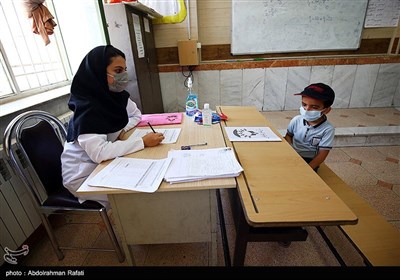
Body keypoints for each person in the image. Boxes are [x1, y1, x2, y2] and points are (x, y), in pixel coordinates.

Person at [61, 45, 164, 208]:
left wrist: (121, 130)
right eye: (117, 70)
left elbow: (136, 115)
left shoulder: (116, 96)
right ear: (99, 72)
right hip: (83, 175)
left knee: (148, 178)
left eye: (124, 69)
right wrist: (142, 142)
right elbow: (99, 153)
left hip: (105, 164)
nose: (123, 75)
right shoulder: (87, 108)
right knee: (140, 196)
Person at [284, 83, 335, 172]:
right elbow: (288, 136)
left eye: (314, 107)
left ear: (326, 110)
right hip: (292, 156)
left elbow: (322, 154)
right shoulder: (296, 120)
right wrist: (289, 150)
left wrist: (308, 169)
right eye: (304, 104)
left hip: (309, 161)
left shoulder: (328, 130)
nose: (307, 109)